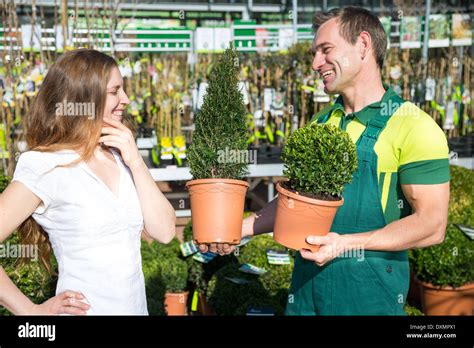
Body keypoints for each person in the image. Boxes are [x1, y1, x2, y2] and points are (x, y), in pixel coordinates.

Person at [200, 7, 450, 315]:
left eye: (326, 50)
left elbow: (432, 225)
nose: (316, 63)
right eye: (315, 53)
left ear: (363, 44)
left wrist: (344, 244)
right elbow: (294, 203)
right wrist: (237, 229)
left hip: (368, 300)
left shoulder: (413, 125)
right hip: (306, 294)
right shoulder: (319, 125)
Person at [0, 49, 176, 315]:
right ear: (84, 97)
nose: (126, 100)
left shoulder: (120, 156)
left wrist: (136, 162)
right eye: (115, 91)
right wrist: (31, 311)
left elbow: (164, 232)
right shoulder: (45, 165)